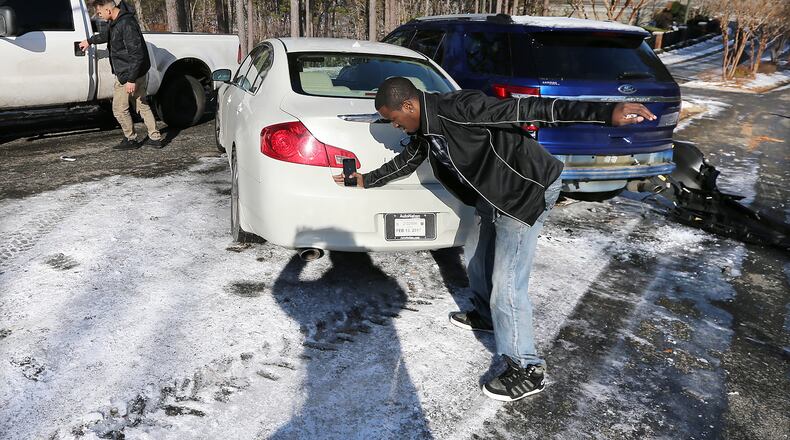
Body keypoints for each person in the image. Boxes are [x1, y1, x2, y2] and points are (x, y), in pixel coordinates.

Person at [333, 77, 656, 402]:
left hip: (524, 191)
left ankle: (527, 368)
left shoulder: (462, 108)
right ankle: (486, 316)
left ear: (408, 106)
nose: (395, 126)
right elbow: (409, 160)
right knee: (475, 254)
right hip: (493, 195)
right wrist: (366, 180)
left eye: (393, 119)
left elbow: (531, 108)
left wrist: (605, 112)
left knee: (507, 286)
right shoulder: (424, 129)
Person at [79, 0, 163, 150]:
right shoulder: (117, 21)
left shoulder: (126, 24)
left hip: (128, 73)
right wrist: (90, 41)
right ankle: (155, 138)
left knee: (119, 108)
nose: (98, 16)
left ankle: (131, 139)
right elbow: (108, 36)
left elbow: (137, 55)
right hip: (134, 71)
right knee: (141, 103)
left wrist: (131, 79)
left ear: (109, 11)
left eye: (100, 13)